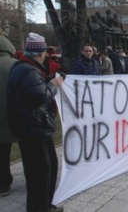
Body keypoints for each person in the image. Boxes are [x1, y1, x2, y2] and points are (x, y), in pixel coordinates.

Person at [7, 32, 64, 211]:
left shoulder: (23, 68)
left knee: (40, 170)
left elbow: (32, 89)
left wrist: (47, 80)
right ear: (40, 53)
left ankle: (41, 205)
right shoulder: (30, 70)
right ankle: (41, 207)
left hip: (29, 128)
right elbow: (39, 96)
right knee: (43, 171)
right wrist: (53, 85)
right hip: (34, 129)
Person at [0, 35, 18, 197]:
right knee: (29, 150)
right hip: (18, 117)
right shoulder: (18, 65)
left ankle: (3, 184)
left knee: (2, 152)